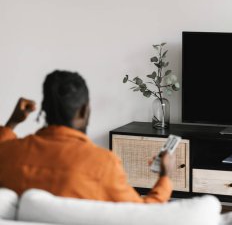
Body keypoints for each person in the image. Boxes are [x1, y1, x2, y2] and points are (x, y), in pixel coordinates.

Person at [0, 70, 173, 203]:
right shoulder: (103, 165)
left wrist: (12, 123)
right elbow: (142, 215)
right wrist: (166, 176)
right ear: (84, 110)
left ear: (44, 109)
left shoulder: (9, 154)